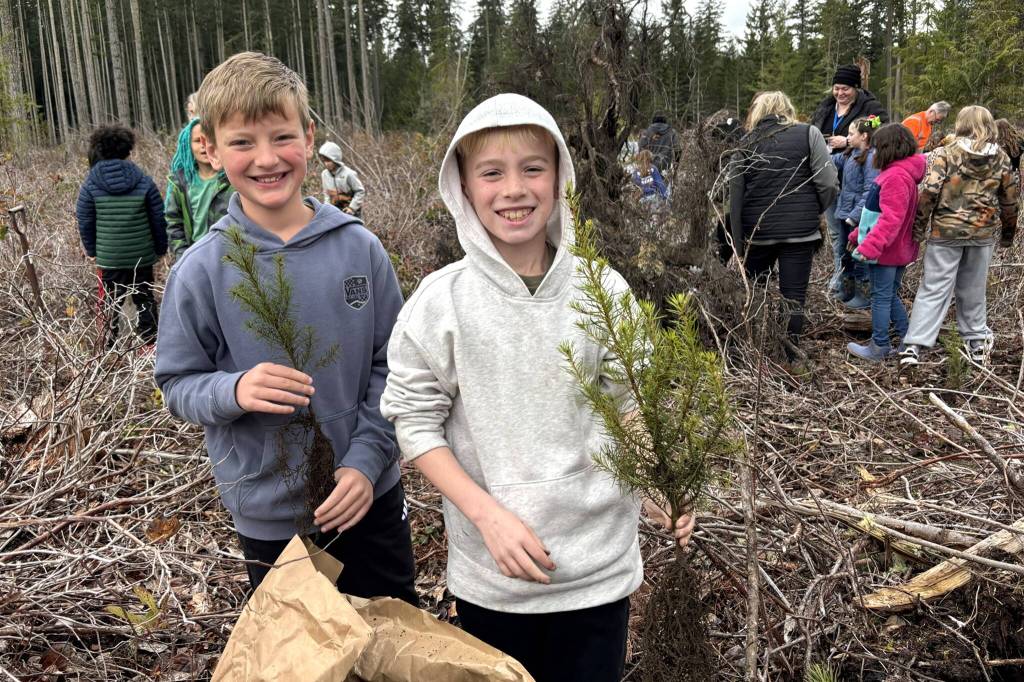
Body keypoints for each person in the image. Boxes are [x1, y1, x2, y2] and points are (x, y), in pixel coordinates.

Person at [379, 93, 694, 682]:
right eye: (491, 173)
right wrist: (488, 516)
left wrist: (655, 477)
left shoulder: (603, 289)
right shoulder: (441, 301)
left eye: (532, 168)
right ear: (464, 188)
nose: (514, 189)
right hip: (495, 577)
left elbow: (630, 402)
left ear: (559, 178)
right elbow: (415, 422)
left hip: (598, 569)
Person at [154, 52, 417, 605]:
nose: (266, 159)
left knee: (395, 640)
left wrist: (366, 465)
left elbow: (394, 368)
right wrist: (234, 390)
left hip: (368, 497)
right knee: (299, 653)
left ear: (309, 135)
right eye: (243, 142)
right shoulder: (200, 269)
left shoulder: (360, 248)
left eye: (282, 137)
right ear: (209, 146)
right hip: (272, 516)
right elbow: (178, 384)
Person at [899, 106, 1019, 367]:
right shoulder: (1001, 158)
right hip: (982, 233)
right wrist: (1008, 235)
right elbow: (1010, 201)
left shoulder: (945, 154)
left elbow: (929, 192)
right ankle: (976, 343)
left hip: (945, 231)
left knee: (933, 288)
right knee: (974, 289)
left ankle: (913, 347)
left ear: (961, 123)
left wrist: (919, 229)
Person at [729, 91, 838, 363]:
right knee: (793, 297)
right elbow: (827, 182)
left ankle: (753, 351)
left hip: (758, 232)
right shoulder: (808, 134)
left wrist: (739, 245)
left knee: (756, 293)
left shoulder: (745, 142)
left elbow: (735, 197)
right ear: (787, 109)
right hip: (799, 233)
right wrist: (813, 211)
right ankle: (791, 356)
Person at [76, 124, 167, 350]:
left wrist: (92, 251)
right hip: (142, 256)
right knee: (144, 297)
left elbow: (85, 220)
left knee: (111, 301)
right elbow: (158, 217)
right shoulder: (144, 180)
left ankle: (108, 347)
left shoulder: (90, 185)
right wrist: (160, 247)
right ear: (127, 150)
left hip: (110, 258)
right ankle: (149, 344)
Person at [844, 124, 926, 361]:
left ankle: (879, 345)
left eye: (877, 147)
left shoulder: (895, 177)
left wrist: (870, 246)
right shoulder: (896, 174)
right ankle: (906, 338)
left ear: (889, 148)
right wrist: (857, 234)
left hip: (887, 252)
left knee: (880, 297)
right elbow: (875, 214)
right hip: (890, 249)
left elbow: (891, 219)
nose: (873, 152)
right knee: (888, 294)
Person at [165, 119, 234, 259]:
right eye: (198, 141)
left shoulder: (233, 178)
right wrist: (182, 255)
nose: (204, 145)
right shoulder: (180, 182)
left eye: (210, 139)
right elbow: (173, 221)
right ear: (187, 145)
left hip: (229, 254)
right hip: (194, 253)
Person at [832, 116, 882, 307]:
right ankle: (847, 290)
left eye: (852, 133)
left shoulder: (871, 158)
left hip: (858, 218)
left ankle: (864, 296)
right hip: (844, 215)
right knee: (844, 254)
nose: (848, 136)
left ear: (864, 136)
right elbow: (832, 161)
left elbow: (870, 191)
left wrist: (855, 216)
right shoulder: (849, 154)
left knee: (859, 256)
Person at [810, 65, 889, 153]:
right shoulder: (825, 107)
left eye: (845, 89)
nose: (840, 93)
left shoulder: (869, 107)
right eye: (836, 88)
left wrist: (849, 141)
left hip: (855, 162)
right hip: (824, 162)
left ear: (856, 88)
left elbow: (881, 126)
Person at [318, 141, 365, 216]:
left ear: (335, 159)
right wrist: (327, 209)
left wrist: (352, 208)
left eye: (328, 160)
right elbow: (327, 194)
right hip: (334, 213)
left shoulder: (349, 174)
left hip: (351, 213)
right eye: (324, 161)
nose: (326, 164)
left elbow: (360, 191)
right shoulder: (324, 174)